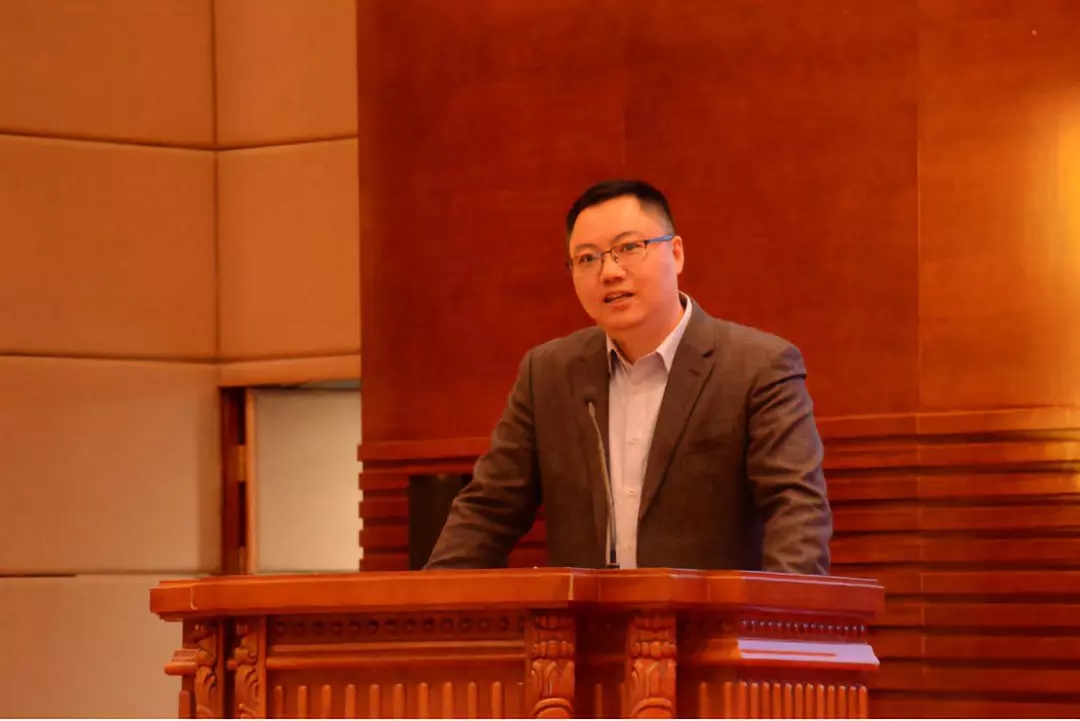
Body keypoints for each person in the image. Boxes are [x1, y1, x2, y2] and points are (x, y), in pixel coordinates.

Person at [425, 179, 832, 574]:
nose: (609, 272)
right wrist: (431, 602)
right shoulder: (548, 374)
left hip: (712, 620)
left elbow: (796, 510)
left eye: (629, 248)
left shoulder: (757, 367)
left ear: (676, 253)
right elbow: (489, 509)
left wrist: (782, 614)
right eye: (587, 258)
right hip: (584, 621)